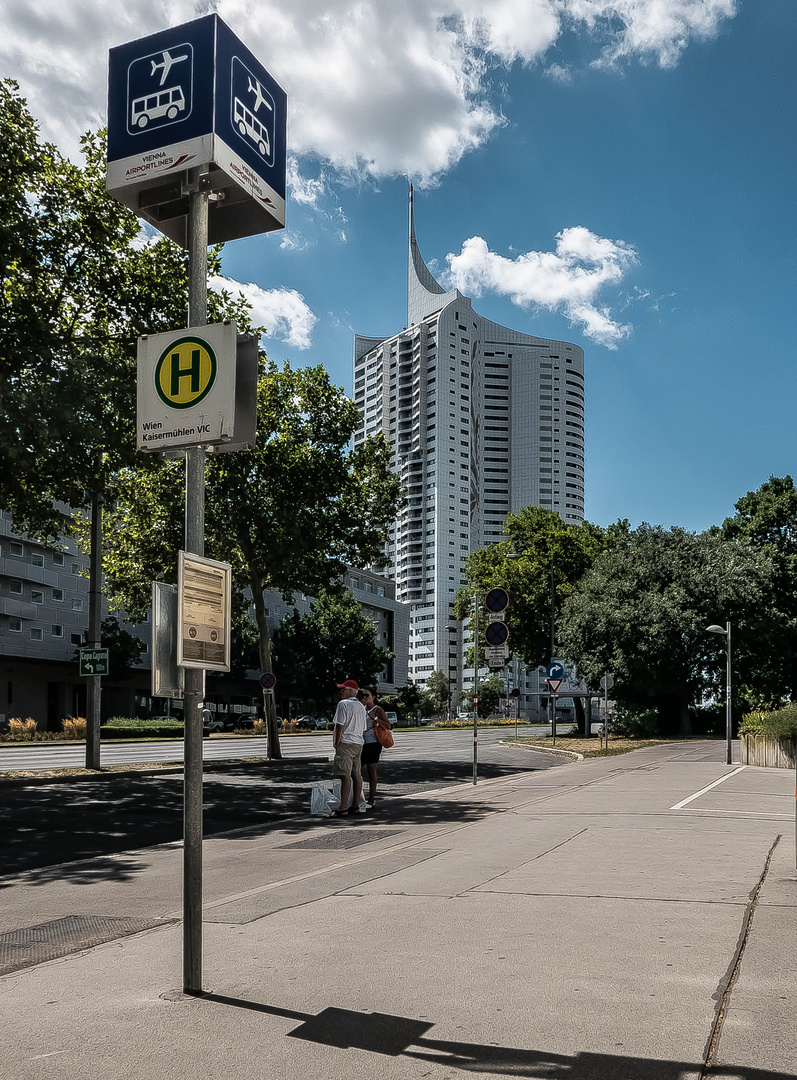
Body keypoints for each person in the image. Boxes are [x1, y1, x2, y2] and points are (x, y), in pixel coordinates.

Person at [331, 679, 368, 816]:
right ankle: (355, 805)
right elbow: (362, 728)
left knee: (344, 775)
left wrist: (337, 742)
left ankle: (343, 807)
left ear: (352, 691)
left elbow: (340, 725)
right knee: (356, 774)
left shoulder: (343, 704)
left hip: (346, 743)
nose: (341, 691)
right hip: (358, 743)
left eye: (343, 688)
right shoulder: (360, 706)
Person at [358, 685, 390, 809]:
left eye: (367, 695)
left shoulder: (378, 710)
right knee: (355, 770)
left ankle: (371, 800)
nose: (365, 697)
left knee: (371, 771)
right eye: (363, 695)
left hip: (373, 743)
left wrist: (375, 718)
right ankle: (357, 798)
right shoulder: (361, 708)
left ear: (373, 697)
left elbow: (388, 725)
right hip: (361, 742)